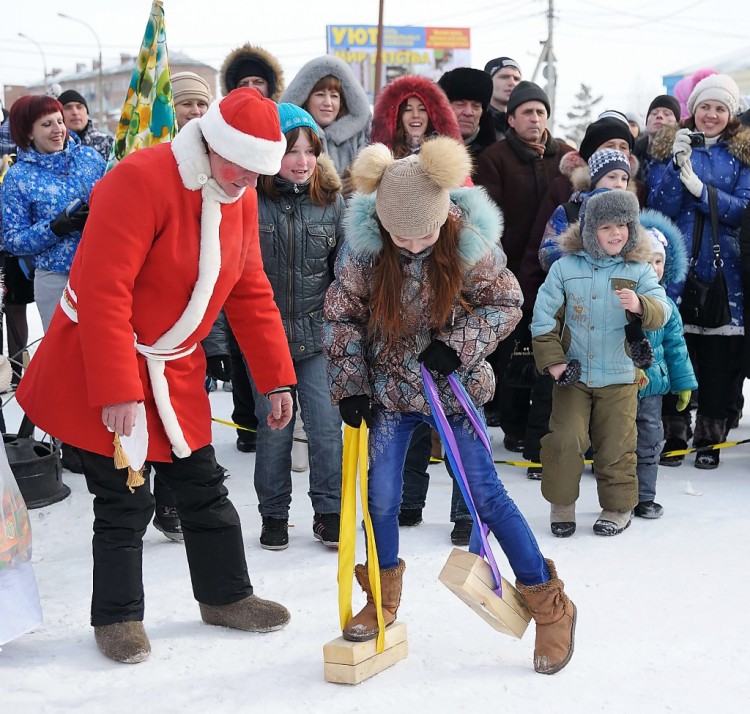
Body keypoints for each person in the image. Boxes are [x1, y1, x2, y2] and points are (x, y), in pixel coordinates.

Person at [15, 88, 297, 664]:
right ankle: (117, 617)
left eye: (256, 171)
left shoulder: (235, 192)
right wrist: (116, 390)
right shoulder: (138, 179)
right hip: (105, 357)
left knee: (203, 487)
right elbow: (104, 291)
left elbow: (249, 290)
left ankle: (226, 597)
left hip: (174, 368)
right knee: (125, 498)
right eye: (241, 165)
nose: (247, 180)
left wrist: (275, 378)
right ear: (213, 143)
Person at [323, 136, 576, 675]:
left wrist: (457, 347)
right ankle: (383, 598)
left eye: (425, 232)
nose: (414, 244)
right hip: (389, 390)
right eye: (401, 235)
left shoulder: (467, 242)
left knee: (486, 495)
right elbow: (340, 315)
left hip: (453, 391)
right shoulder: (365, 249)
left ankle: (548, 603)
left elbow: (507, 301)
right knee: (382, 497)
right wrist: (351, 386)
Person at [369, 73, 472, 543]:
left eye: (422, 108)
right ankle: (410, 499)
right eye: (405, 108)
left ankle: (466, 509)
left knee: (460, 431)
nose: (414, 116)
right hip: (398, 336)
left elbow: (496, 294)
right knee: (405, 425)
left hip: (446, 316)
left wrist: (458, 341)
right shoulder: (381, 171)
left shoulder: (449, 175)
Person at [532, 189, 671, 537]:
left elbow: (662, 309)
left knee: (616, 445)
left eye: (623, 225)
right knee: (565, 440)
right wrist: (554, 364)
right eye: (607, 226)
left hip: (621, 375)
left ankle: (617, 507)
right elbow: (543, 317)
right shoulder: (565, 268)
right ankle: (561, 506)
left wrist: (640, 305)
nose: (616, 233)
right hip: (573, 375)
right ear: (590, 229)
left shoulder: (638, 269)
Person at [248, 103, 344, 550]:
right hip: (266, 340)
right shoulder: (251, 198)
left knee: (325, 427)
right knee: (274, 430)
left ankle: (328, 512)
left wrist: (344, 332)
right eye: (292, 150)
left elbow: (345, 274)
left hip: (318, 336)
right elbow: (234, 276)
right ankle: (273, 514)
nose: (302, 161)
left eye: (310, 150)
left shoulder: (332, 201)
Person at [647, 74, 750, 469]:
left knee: (718, 358)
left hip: (726, 270)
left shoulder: (741, 156)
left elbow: (742, 209)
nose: (711, 114)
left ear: (730, 114)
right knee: (676, 350)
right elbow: (660, 206)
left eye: (720, 108)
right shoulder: (670, 149)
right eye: (705, 106)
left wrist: (701, 191)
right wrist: (677, 168)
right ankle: (675, 431)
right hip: (676, 263)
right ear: (694, 110)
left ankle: (711, 436)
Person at [475, 81, 573, 455]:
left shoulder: (564, 155)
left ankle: (548, 422)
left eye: (540, 111)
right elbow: (489, 220)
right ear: (511, 119)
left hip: (557, 270)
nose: (535, 118)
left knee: (551, 350)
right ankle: (514, 423)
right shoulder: (494, 158)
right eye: (527, 112)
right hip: (512, 269)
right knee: (516, 351)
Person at [1, 95, 105, 332]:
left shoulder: (90, 158)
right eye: (47, 125)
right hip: (57, 280)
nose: (58, 130)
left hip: (102, 271)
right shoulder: (18, 177)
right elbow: (13, 240)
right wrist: (55, 227)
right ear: (28, 132)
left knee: (104, 350)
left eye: (59, 121)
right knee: (65, 357)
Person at [634, 212, 697, 518]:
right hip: (619, 385)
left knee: (649, 440)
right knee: (615, 444)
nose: (653, 267)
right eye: (647, 259)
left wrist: (684, 383)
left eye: (658, 261)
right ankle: (617, 497)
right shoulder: (621, 297)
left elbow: (676, 347)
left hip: (652, 388)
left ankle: (645, 496)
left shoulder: (668, 305)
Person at [280, 55, 371, 186]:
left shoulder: (359, 138)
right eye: (320, 95)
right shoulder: (289, 134)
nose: (328, 103)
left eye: (334, 96)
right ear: (305, 99)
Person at [538, 149, 633, 273]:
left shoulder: (629, 214)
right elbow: (547, 254)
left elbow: (638, 253)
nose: (619, 184)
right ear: (594, 179)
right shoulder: (568, 210)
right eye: (612, 177)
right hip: (574, 285)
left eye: (624, 179)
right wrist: (583, 262)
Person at [437, 67, 496, 167]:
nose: (468, 112)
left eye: (476, 106)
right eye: (460, 104)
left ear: (482, 112)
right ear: (444, 108)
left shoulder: (495, 156)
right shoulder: (422, 149)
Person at [633, 95, 681, 182]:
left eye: (667, 114)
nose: (659, 116)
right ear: (646, 122)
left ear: (677, 123)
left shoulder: (681, 155)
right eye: (654, 113)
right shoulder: (633, 154)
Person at [57, 89, 114, 162]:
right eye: (68, 108)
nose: (75, 112)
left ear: (87, 113)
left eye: (79, 107)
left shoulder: (107, 143)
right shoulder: (53, 147)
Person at [220, 43, 285, 101]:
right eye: (243, 84)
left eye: (258, 82)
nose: (251, 88)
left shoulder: (283, 114)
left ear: (270, 87)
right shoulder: (219, 114)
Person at [484, 57, 522, 141]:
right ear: (488, 82)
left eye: (516, 79)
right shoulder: (476, 122)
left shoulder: (524, 123)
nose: (512, 83)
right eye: (504, 77)